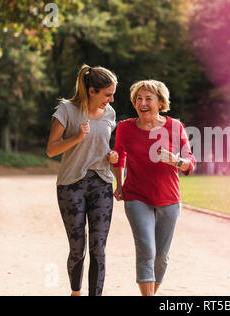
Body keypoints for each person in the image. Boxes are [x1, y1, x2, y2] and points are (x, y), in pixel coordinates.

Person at [112, 79, 196, 296]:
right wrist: (119, 185)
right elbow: (119, 158)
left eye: (148, 98)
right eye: (138, 99)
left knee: (161, 256)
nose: (142, 103)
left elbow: (190, 163)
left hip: (169, 199)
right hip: (136, 197)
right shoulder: (125, 128)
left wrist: (175, 160)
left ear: (160, 102)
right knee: (146, 251)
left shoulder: (175, 127)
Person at [46, 64, 119, 296]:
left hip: (101, 182)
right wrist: (77, 137)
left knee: (99, 248)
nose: (111, 99)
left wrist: (112, 155)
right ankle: (75, 292)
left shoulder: (110, 114)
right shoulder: (66, 110)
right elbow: (51, 150)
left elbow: (103, 145)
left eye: (112, 94)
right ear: (91, 91)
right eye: (107, 94)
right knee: (78, 249)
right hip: (71, 185)